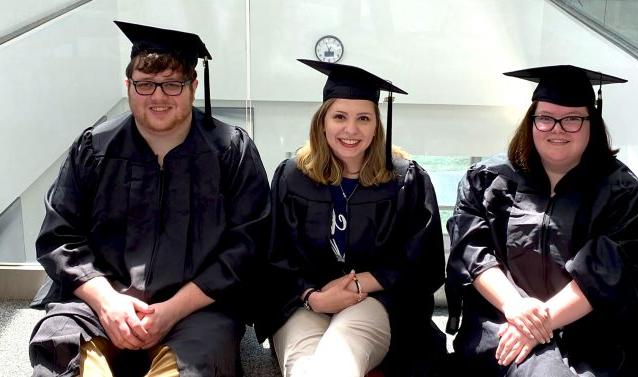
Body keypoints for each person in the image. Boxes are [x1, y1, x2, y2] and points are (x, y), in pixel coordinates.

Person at [28, 21, 270, 377]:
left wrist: (171, 310)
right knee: (61, 350)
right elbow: (59, 236)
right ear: (128, 86)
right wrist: (108, 303)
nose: (158, 96)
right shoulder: (94, 148)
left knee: (198, 364)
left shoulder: (230, 151)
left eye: (173, 84)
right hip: (99, 304)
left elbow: (246, 247)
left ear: (192, 87)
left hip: (196, 310)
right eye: (145, 84)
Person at [444, 65, 638, 376]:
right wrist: (516, 308)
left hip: (591, 326)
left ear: (591, 123)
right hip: (505, 316)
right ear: (531, 122)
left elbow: (608, 272)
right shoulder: (488, 180)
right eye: (546, 118)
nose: (557, 129)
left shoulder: (622, 192)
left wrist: (540, 322)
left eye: (572, 119)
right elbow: (472, 251)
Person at [254, 59, 446, 377]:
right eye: (339, 116)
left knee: (341, 354)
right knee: (303, 364)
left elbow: (423, 265)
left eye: (363, 118)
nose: (351, 129)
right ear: (322, 122)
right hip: (303, 300)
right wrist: (315, 298)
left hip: (377, 298)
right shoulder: (292, 176)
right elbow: (275, 257)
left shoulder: (405, 179)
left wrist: (356, 285)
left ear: (376, 125)